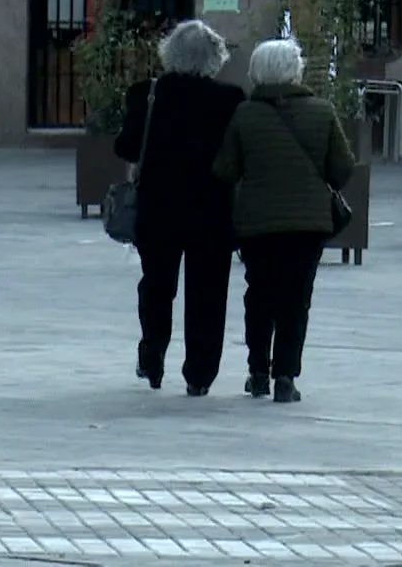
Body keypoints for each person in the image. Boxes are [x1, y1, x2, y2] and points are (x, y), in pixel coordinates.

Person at [211, 38, 354, 404]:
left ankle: (257, 371)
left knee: (258, 295)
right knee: (296, 299)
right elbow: (343, 168)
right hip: (308, 224)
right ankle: (286, 377)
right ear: (295, 70)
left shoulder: (244, 114)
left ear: (257, 72)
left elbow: (224, 169)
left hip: (257, 223)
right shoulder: (321, 111)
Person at [115, 20, 247, 396]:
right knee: (208, 291)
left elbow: (125, 147)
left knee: (157, 284)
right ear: (214, 57)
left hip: (159, 206)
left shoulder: (147, 94)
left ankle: (152, 355)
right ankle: (200, 374)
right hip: (212, 208)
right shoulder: (231, 98)